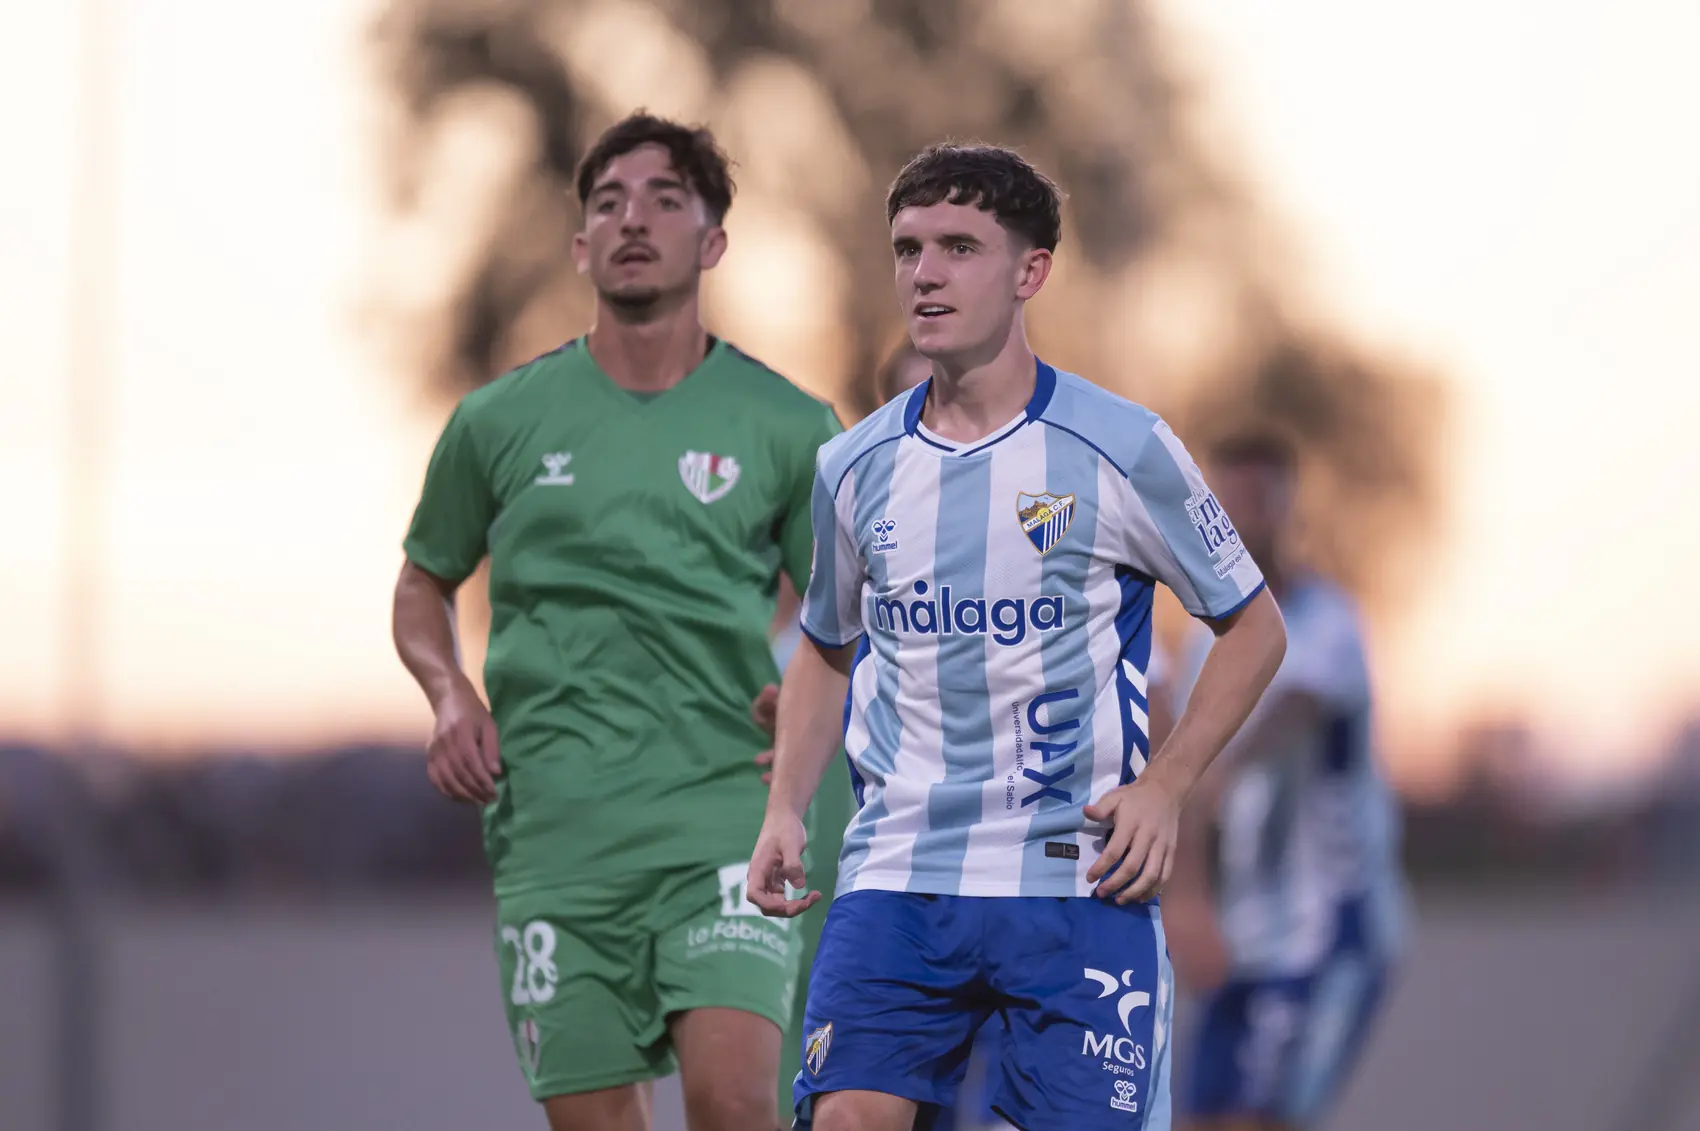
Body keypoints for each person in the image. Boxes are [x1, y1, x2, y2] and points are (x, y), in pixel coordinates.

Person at [745, 142, 1288, 1131]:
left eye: (960, 247)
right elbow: (825, 647)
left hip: (1075, 880)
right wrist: (785, 805)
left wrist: (1166, 785)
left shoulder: (1122, 447)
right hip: (899, 878)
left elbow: (1253, 627)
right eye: (908, 248)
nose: (925, 272)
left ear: (1030, 271)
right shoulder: (852, 467)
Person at [392, 112, 841, 1131]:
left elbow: (849, 618)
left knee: (735, 1102)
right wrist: (448, 691)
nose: (633, 219)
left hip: (722, 816)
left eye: (664, 200)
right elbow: (422, 583)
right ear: (579, 244)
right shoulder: (497, 422)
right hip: (557, 832)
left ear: (712, 243)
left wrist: (813, 701)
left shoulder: (790, 425)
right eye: (608, 203)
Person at [1162, 431, 1407, 1131]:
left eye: (1256, 498)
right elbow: (1181, 786)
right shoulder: (1203, 640)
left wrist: (1219, 768)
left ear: (1286, 507)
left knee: (1259, 1118)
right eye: (1226, 500)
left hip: (1327, 929)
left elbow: (1294, 709)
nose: (1240, 517)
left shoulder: (1328, 619)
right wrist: (1189, 900)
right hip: (1243, 934)